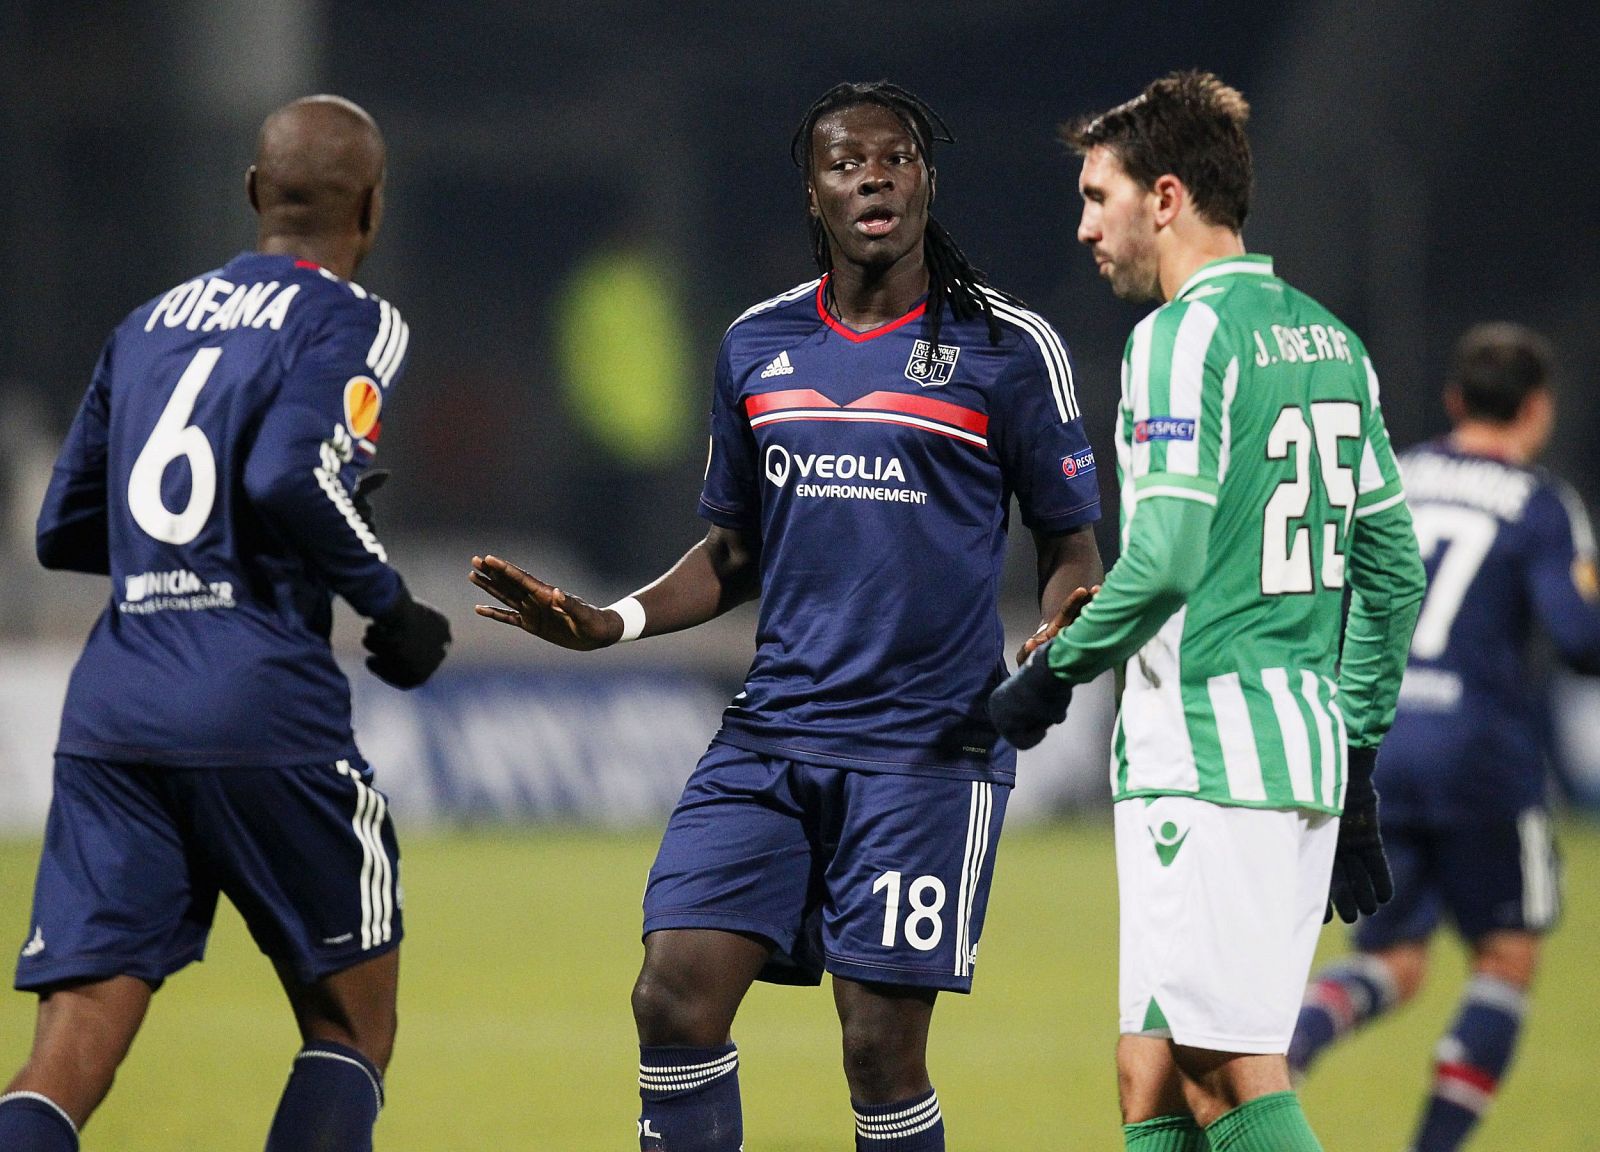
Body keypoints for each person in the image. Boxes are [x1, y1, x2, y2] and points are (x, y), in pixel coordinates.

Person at [470, 80, 1103, 1152]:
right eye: (846, 160)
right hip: (770, 737)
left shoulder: (1006, 347)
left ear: (926, 183)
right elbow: (732, 553)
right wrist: (609, 622)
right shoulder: (756, 346)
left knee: (876, 1049)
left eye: (896, 158)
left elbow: (1070, 543)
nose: (873, 174)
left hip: (925, 750)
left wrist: (1065, 619)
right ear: (813, 192)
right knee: (670, 996)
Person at [0, 95, 450, 1152]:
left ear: (253, 191)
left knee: (72, 1042)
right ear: (372, 208)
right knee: (352, 1022)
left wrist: (191, 548)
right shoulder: (352, 315)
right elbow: (287, 469)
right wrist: (389, 602)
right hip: (257, 705)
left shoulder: (147, 323)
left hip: (115, 712)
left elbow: (65, 528)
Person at [988, 71, 1427, 1152]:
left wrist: (1048, 677)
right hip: (1294, 755)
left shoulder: (1181, 340)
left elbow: (1168, 559)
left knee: (1223, 1080)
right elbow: (1392, 567)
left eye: (1100, 197)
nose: (1085, 226)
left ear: (1168, 196)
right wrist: (1357, 759)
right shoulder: (1330, 344)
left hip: (1209, 758)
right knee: (1149, 1074)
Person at [1289, 323, 1600, 1151]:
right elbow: (1579, 640)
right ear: (1537, 410)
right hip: (1482, 760)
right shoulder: (1539, 503)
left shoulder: (1395, 475)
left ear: (1456, 400)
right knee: (1504, 959)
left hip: (1378, 748)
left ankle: (1284, 1057)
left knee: (1394, 958)